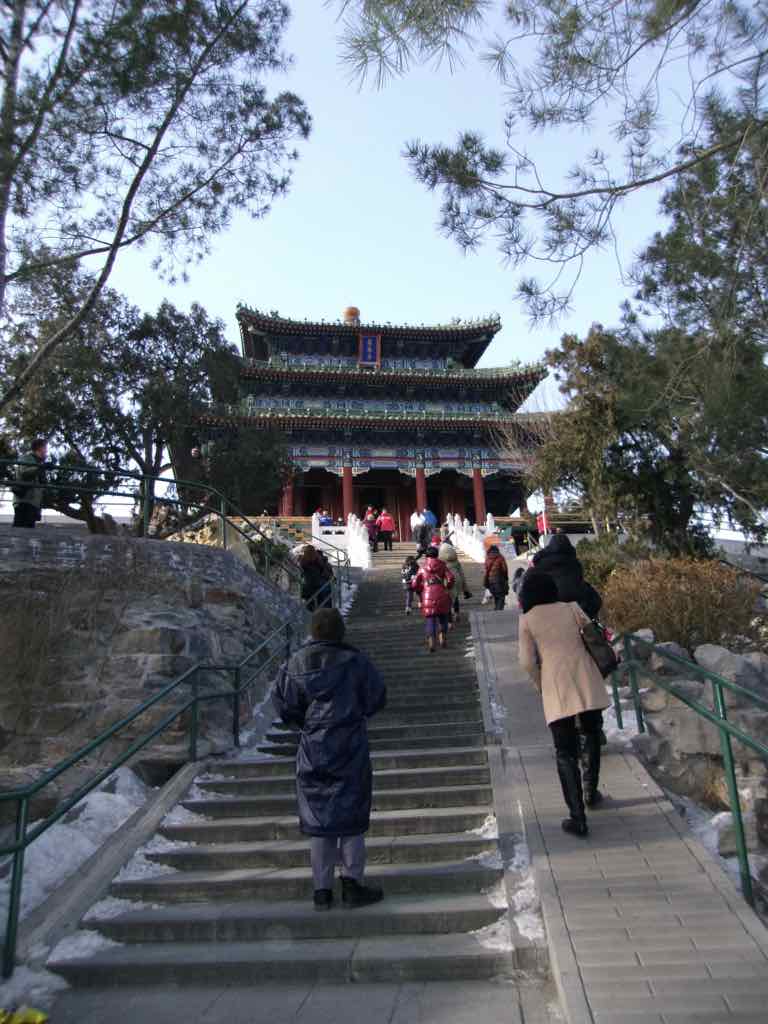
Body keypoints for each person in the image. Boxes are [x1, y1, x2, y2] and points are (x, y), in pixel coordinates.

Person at [273, 608, 387, 910]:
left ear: (314, 631)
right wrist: (355, 714)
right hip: (350, 744)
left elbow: (283, 703)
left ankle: (321, 890)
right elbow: (377, 696)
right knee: (351, 817)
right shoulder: (357, 662)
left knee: (318, 818)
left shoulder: (295, 663)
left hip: (313, 748)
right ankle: (352, 883)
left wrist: (306, 724)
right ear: (341, 631)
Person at [517, 572, 610, 837]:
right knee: (591, 732)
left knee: (564, 751)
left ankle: (577, 817)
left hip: (556, 684)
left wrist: (541, 684)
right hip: (585, 676)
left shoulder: (527, 620)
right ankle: (591, 790)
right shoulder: (571, 608)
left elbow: (526, 662)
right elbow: (592, 635)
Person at [521, 531, 601, 618]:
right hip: (575, 604)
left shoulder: (540, 563)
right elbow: (579, 582)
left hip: (548, 605)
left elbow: (527, 584)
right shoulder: (575, 563)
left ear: (550, 547)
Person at [411, 545, 455, 652]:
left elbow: (414, 583)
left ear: (426, 556)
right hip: (441, 594)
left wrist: (421, 589)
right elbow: (450, 578)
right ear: (437, 555)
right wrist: (447, 587)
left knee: (430, 618)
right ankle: (442, 636)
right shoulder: (442, 565)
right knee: (443, 617)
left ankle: (431, 641)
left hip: (427, 595)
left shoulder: (422, 568)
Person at [12, 438, 48, 529]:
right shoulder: (26, 457)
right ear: (39, 448)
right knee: (20, 529)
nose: (46, 450)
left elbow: (42, 482)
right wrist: (40, 467)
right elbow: (24, 472)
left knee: (28, 529)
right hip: (24, 500)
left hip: (34, 502)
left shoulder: (39, 461)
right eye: (45, 448)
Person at [438, 538, 471, 623]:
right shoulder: (455, 560)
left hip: (446, 580)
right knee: (455, 597)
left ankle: (449, 621)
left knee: (447, 600)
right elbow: (461, 574)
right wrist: (465, 588)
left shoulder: (439, 560)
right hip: (456, 580)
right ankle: (456, 613)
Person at [298, 544, 334, 610]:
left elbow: (304, 575)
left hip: (311, 587)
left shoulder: (304, 562)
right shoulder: (318, 561)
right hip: (318, 586)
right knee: (325, 596)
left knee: (313, 601)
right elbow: (325, 572)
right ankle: (326, 611)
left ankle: (316, 611)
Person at [483, 544, 509, 610]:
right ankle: (498, 611)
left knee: (496, 596)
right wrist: (506, 578)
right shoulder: (500, 557)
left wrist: (485, 582)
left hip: (490, 580)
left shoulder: (487, 558)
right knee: (501, 596)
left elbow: (486, 571)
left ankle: (497, 609)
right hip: (499, 580)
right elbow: (504, 569)